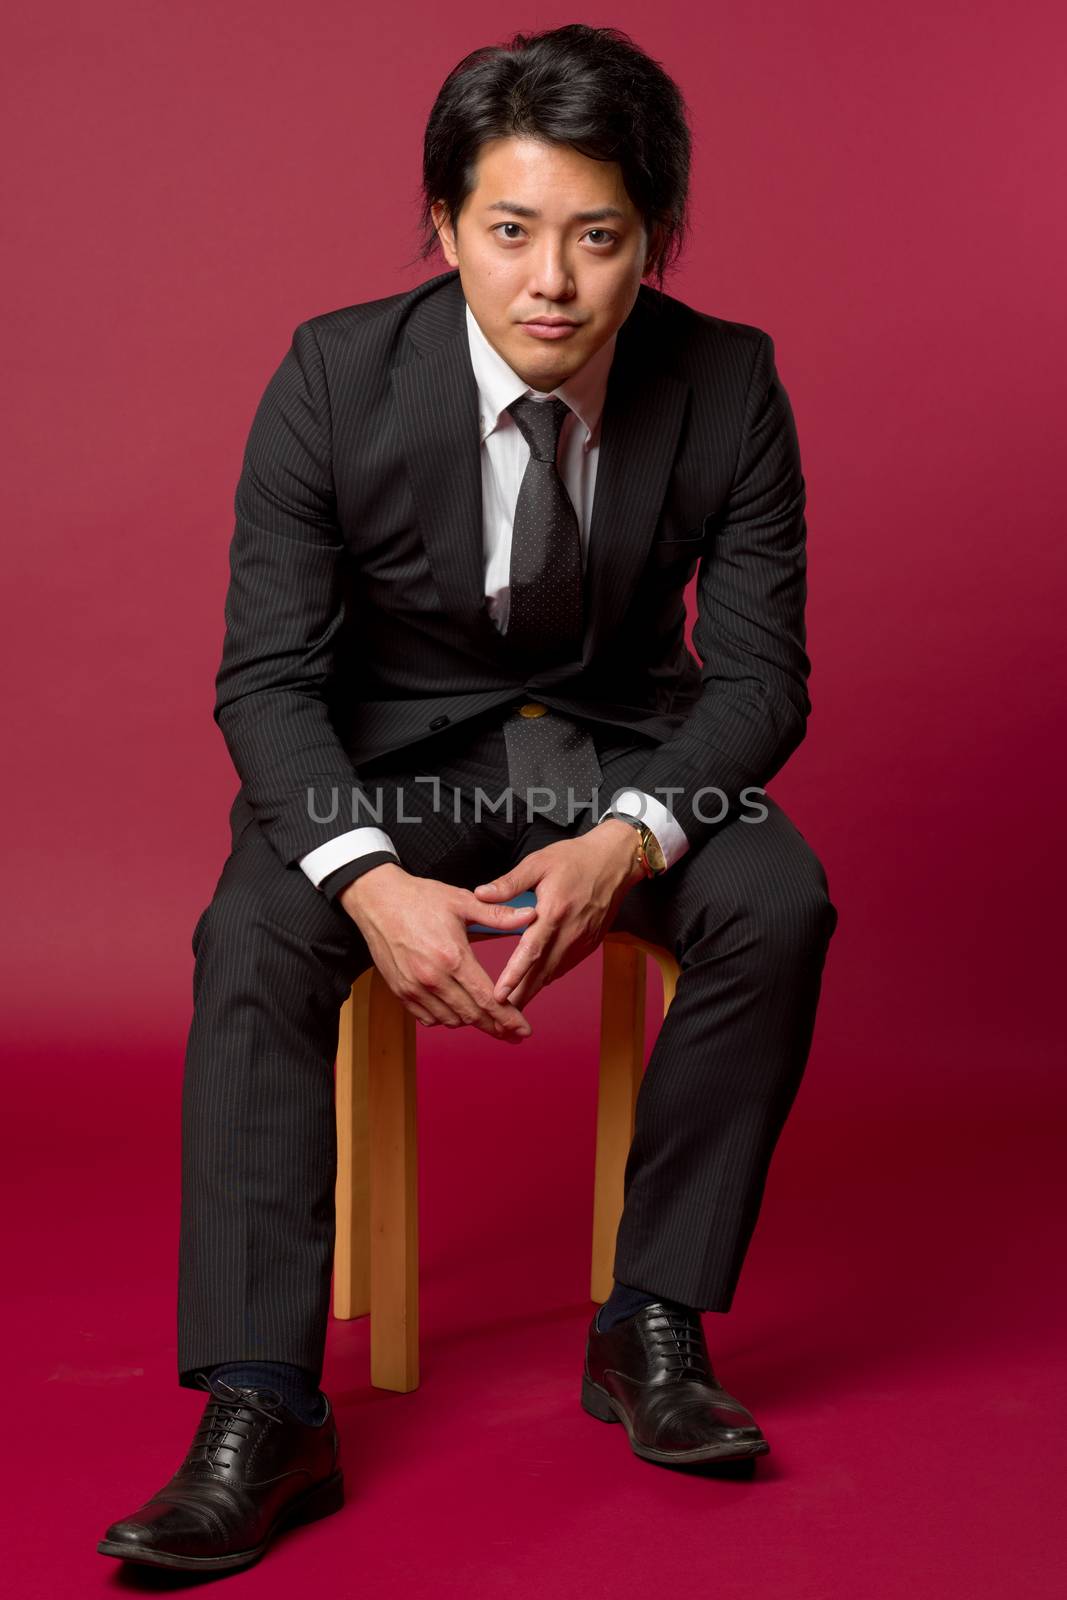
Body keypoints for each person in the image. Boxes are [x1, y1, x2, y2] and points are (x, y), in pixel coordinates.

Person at [98, 21, 838, 1574]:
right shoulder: (333, 372)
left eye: (597, 236)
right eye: (509, 232)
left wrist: (634, 834)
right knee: (252, 930)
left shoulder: (730, 381)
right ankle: (263, 1402)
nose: (551, 281)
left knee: (778, 893)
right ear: (444, 229)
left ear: (653, 242)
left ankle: (651, 1322)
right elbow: (267, 683)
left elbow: (761, 679)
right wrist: (365, 881)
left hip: (624, 747)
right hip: (395, 762)